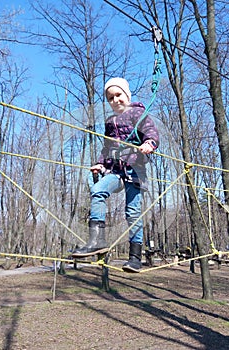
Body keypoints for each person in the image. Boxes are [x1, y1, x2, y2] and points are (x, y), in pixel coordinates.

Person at [72, 77, 159, 272]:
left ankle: (135, 257)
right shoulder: (110, 121)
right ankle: (97, 240)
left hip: (135, 170)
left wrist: (149, 143)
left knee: (133, 212)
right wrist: (100, 164)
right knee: (98, 190)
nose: (115, 100)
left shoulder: (138, 113)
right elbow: (107, 146)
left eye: (118, 95)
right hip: (115, 170)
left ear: (126, 95)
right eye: (110, 98)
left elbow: (151, 133)